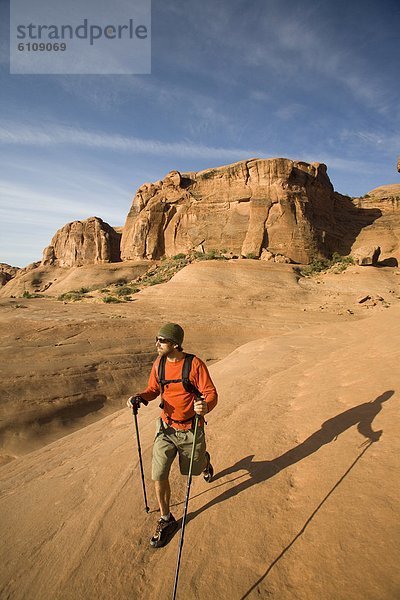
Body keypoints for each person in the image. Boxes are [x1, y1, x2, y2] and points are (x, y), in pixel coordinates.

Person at [127, 322, 218, 548]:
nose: (157, 344)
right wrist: (139, 397)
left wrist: (205, 406)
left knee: (193, 470)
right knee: (158, 474)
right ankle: (166, 519)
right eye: (156, 339)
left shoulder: (194, 365)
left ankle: (204, 462)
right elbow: (153, 390)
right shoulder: (159, 364)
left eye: (162, 340)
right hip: (166, 429)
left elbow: (210, 393)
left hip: (190, 430)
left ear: (175, 344)